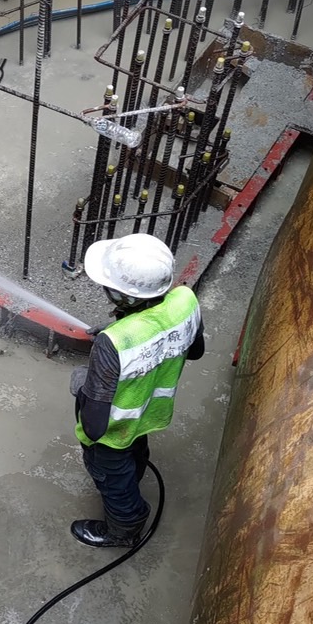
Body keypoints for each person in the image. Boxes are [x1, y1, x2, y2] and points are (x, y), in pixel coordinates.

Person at [69, 233, 204, 548]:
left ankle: (124, 529)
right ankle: (133, 477)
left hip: (113, 435)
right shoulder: (185, 300)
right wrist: (124, 333)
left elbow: (93, 425)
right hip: (148, 415)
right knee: (135, 454)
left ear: (124, 298)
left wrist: (83, 382)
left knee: (114, 480)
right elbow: (193, 349)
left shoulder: (111, 345)